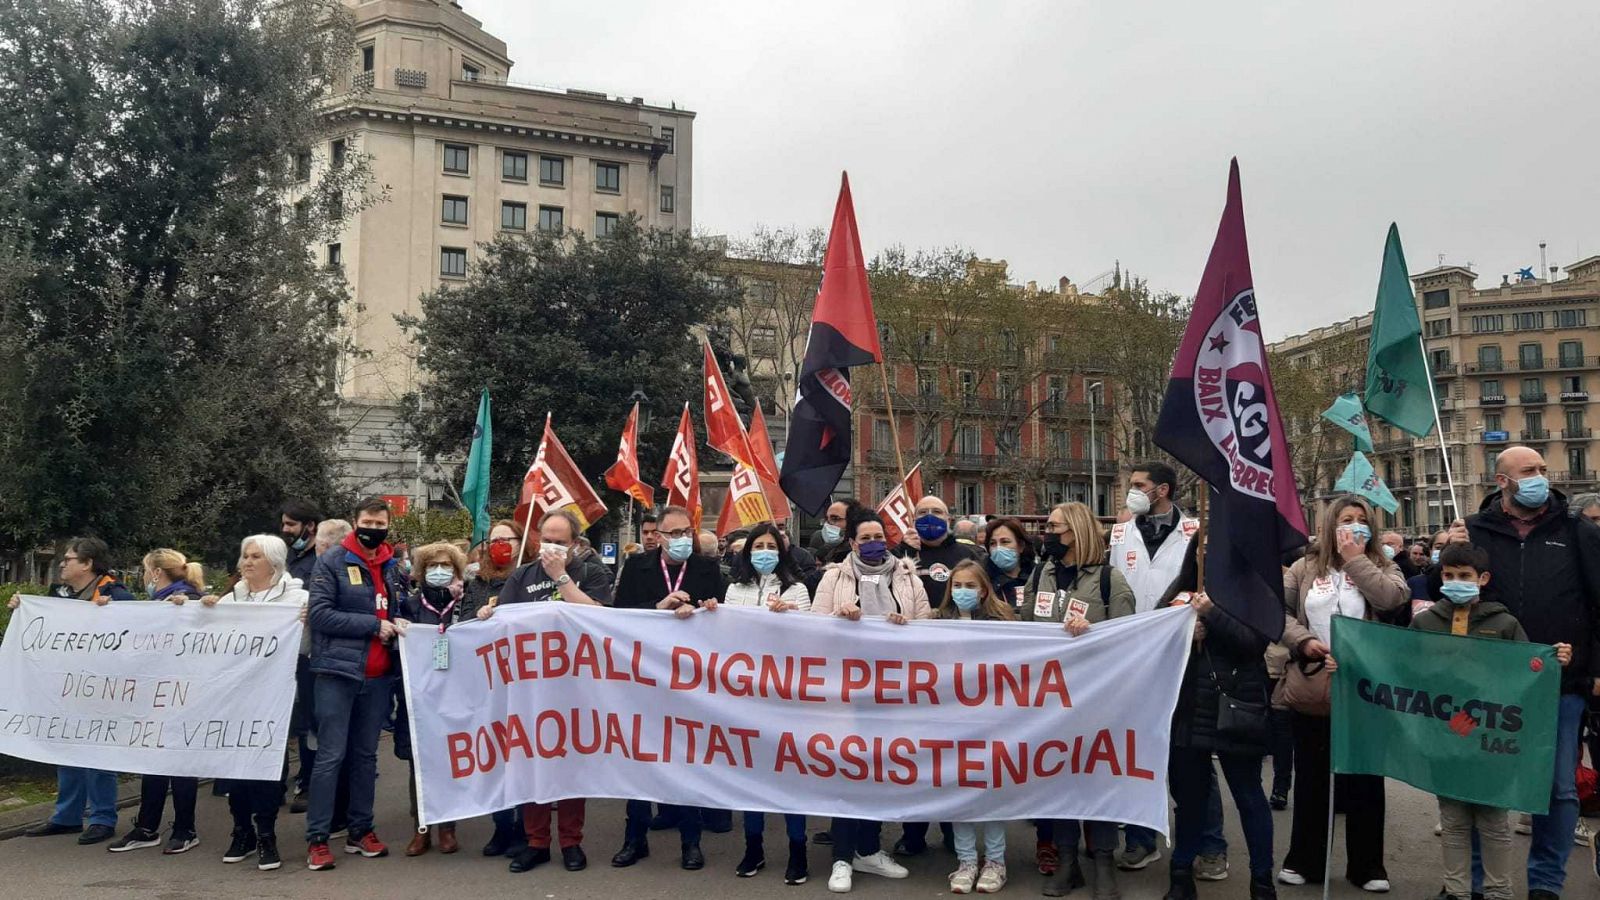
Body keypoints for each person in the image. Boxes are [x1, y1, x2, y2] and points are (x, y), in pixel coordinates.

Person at [1454, 446, 1600, 900]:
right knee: (1482, 786)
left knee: (1558, 789)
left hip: (1561, 684)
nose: (1540, 477)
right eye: (1528, 471)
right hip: (1488, 686)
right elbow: (1453, 604)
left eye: (1541, 469)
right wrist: (1454, 556)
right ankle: (1477, 883)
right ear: (1502, 481)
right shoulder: (1475, 531)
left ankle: (1546, 884)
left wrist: (1594, 668)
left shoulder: (1578, 531)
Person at [1411, 542, 1573, 900]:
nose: (1456, 581)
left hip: (1491, 740)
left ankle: (1499, 891)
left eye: (1465, 576)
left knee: (1494, 823)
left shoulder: (1504, 623)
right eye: (1449, 575)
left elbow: (1528, 671)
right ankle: (1457, 890)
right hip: (1444, 738)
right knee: (1453, 822)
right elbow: (1402, 669)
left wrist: (1554, 659)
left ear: (1482, 579)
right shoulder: (1424, 622)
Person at [1277, 495, 1408, 892]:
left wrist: (1356, 560)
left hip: (1365, 689)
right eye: (1346, 519)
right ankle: (1305, 860)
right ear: (1331, 525)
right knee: (1313, 778)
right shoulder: (1303, 568)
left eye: (1361, 520)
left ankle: (1368, 866)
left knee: (1365, 780)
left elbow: (1392, 600)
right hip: (1314, 684)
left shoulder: (1383, 565)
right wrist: (1303, 642)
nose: (1354, 525)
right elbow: (1277, 613)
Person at [480, 510, 609, 873]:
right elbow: (504, 619)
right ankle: (536, 842)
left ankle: (571, 842)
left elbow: (600, 616)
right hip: (531, 688)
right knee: (531, 763)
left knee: (569, 765)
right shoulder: (522, 575)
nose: (551, 547)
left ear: (576, 544)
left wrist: (561, 577)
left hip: (576, 685)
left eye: (560, 541)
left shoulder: (591, 572)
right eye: (546, 539)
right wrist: (487, 616)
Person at [1021, 502, 1135, 899]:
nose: (1046, 533)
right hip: (1050, 700)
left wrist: (1094, 631)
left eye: (1052, 527)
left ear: (1075, 531)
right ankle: (1068, 860)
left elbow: (1127, 640)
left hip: (1096, 699)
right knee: (1059, 781)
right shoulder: (1040, 574)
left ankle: (1103, 858)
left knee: (1097, 781)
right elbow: (1024, 631)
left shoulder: (1109, 580)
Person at [811, 506, 926, 893]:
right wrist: (837, 620)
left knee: (878, 772)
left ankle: (869, 849)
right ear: (852, 543)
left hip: (894, 692)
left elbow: (928, 628)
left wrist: (906, 626)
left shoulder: (909, 576)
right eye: (866, 538)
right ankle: (842, 857)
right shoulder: (834, 577)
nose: (874, 543)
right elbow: (813, 627)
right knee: (850, 770)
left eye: (879, 537)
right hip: (848, 691)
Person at [1157, 540, 1277, 900]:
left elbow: (1253, 643)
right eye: (1201, 547)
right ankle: (1180, 874)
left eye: (1215, 546)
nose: (1206, 554)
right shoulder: (1180, 589)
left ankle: (1262, 881)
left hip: (1236, 707)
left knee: (1249, 796)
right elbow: (1153, 634)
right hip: (1188, 710)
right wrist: (1179, 632)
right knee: (1190, 799)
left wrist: (1211, 614)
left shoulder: (1252, 591)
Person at [611, 505, 724, 871]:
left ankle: (691, 841)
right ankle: (634, 838)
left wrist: (708, 608)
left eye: (685, 532)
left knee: (685, 758)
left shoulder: (707, 567)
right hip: (645, 677)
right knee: (639, 759)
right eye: (672, 534)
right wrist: (659, 607)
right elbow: (621, 614)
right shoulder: (637, 567)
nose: (680, 540)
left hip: (689, 679)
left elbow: (725, 615)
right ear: (657, 537)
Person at [304, 497, 409, 871]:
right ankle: (318, 837)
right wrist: (372, 626)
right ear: (355, 522)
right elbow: (320, 615)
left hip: (379, 677)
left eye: (380, 524)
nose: (374, 529)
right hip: (338, 674)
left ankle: (360, 829)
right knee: (330, 756)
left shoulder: (393, 565)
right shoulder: (332, 562)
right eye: (368, 522)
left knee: (365, 757)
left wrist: (402, 621)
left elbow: (395, 608)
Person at [19, 537, 135, 845]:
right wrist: (23, 609)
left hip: (101, 689)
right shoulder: (58, 594)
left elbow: (136, 636)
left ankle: (102, 818)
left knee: (98, 754)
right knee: (66, 749)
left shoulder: (117, 595)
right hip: (66, 687)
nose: (62, 564)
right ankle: (67, 816)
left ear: (87, 564)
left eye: (68, 559)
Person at [201, 534, 306, 872]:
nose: (246, 563)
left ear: (273, 563)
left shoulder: (298, 598)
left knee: (266, 767)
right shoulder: (232, 599)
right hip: (236, 697)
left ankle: (266, 834)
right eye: (244, 556)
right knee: (235, 765)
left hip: (274, 696)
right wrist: (195, 611)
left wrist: (305, 625)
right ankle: (241, 830)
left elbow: (304, 647)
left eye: (255, 557)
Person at [721, 522, 812, 884]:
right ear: (748, 552)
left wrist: (790, 618)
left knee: (791, 777)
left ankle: (797, 849)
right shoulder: (734, 589)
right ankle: (753, 846)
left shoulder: (799, 590)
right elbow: (725, 639)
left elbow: (810, 643)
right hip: (747, 696)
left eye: (770, 546)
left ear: (781, 551)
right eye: (758, 546)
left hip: (786, 697)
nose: (764, 552)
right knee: (751, 776)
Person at [893, 494, 980, 856]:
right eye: (923, 513)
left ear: (950, 517)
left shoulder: (969, 555)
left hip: (956, 669)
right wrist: (899, 552)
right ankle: (912, 833)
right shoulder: (901, 555)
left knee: (950, 756)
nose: (930, 517)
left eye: (937, 512)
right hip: (913, 669)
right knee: (913, 754)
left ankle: (951, 829)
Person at [106, 550, 206, 855]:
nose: (146, 576)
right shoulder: (160, 602)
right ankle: (148, 827)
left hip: (181, 693)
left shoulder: (186, 601)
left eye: (146, 570)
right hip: (159, 693)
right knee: (155, 761)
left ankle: (184, 829)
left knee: (180, 762)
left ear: (156, 573)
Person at [934, 560, 1015, 894]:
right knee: (960, 792)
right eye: (957, 586)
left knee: (991, 792)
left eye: (970, 586)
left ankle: (996, 862)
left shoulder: (1005, 622)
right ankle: (966, 861)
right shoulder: (936, 623)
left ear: (984, 590)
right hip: (952, 720)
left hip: (991, 719)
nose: (962, 592)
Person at [456, 519, 531, 856]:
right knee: (497, 752)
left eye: (508, 539)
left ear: (521, 541)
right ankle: (502, 826)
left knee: (527, 752)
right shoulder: (478, 581)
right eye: (495, 540)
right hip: (492, 677)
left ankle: (526, 827)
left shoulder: (532, 577)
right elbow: (465, 623)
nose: (501, 545)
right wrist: (484, 615)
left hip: (529, 678)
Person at [391, 542, 468, 857]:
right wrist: (399, 630)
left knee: (451, 758)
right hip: (419, 694)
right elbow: (396, 646)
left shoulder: (466, 603)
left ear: (456, 570)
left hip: (457, 693)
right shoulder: (409, 605)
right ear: (421, 571)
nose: (440, 570)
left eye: (446, 565)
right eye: (433, 565)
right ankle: (421, 827)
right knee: (419, 762)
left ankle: (448, 827)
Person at [289, 518, 352, 814]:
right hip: (314, 661)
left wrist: (317, 614)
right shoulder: (309, 569)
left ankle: (325, 801)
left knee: (326, 734)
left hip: (332, 664)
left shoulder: (344, 573)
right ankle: (312, 786)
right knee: (313, 729)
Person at [983, 516, 1036, 613]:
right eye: (993, 543)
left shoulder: (1037, 577)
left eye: (1005, 542)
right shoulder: (983, 579)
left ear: (1021, 546)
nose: (998, 548)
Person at [281, 499, 322, 583]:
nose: (284, 529)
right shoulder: (285, 555)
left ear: (310, 525)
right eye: (283, 524)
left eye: (290, 524)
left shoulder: (322, 558)